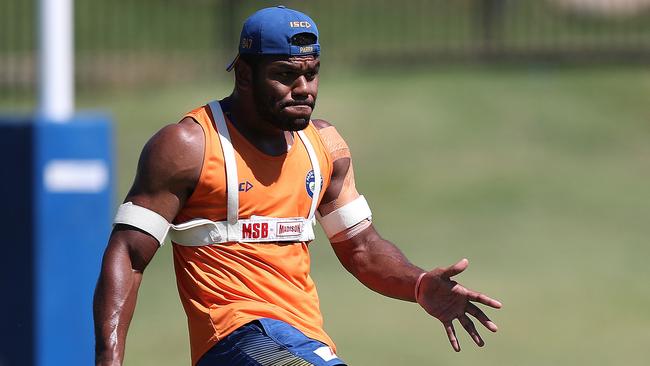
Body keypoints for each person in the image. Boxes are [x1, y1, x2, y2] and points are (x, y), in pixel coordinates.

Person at [93, 5, 502, 366]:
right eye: (285, 75)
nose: (303, 89)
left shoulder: (324, 146)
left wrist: (418, 284)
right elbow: (129, 254)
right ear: (244, 74)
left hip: (305, 340)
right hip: (234, 340)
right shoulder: (188, 146)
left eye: (311, 73)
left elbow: (362, 248)